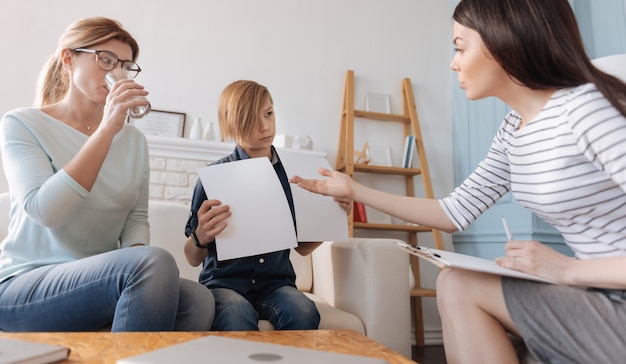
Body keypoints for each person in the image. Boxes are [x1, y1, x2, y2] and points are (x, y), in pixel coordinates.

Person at [290, 0, 626, 363]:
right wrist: (355, 191)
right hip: (597, 293)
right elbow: (453, 212)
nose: (454, 62)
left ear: (504, 41)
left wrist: (568, 269)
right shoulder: (514, 129)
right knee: (455, 280)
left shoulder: (587, 109)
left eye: (460, 47)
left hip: (610, 297)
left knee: (459, 286)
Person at [0, 17, 214, 332]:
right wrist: (108, 127)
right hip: (25, 287)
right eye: (106, 60)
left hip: (97, 285)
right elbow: (45, 211)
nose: (116, 72)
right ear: (68, 58)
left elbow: (136, 221)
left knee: (198, 298)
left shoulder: (134, 141)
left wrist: (148, 275)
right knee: (154, 263)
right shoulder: (22, 124)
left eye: (125, 65)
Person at [184, 80, 350, 331]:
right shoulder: (213, 177)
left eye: (269, 113)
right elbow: (191, 258)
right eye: (252, 119)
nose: (265, 126)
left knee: (303, 311)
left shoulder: (294, 174)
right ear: (232, 123)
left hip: (276, 285)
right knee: (236, 316)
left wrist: (332, 216)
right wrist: (201, 236)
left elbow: (303, 249)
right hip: (223, 285)